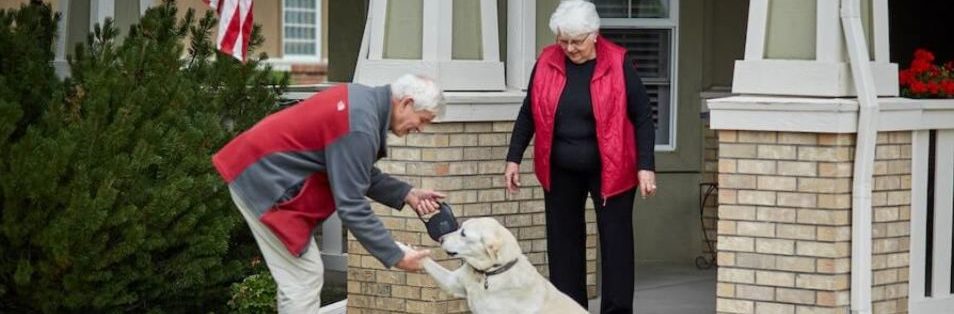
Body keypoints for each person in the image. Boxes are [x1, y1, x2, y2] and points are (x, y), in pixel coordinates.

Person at [213, 74, 447, 313]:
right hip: (264, 180)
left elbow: (354, 170)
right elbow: (352, 206)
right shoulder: (359, 125)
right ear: (406, 103)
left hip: (258, 171)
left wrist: (407, 193)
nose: (420, 128)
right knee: (303, 278)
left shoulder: (362, 103)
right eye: (422, 120)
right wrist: (395, 254)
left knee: (303, 277)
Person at [503, 1, 657, 313]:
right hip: (560, 169)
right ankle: (569, 308)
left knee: (615, 247)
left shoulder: (618, 63)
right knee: (563, 247)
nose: (570, 48)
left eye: (577, 41)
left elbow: (643, 116)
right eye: (563, 40)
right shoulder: (547, 61)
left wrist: (646, 166)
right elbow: (528, 112)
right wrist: (513, 157)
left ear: (594, 35)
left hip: (611, 169)